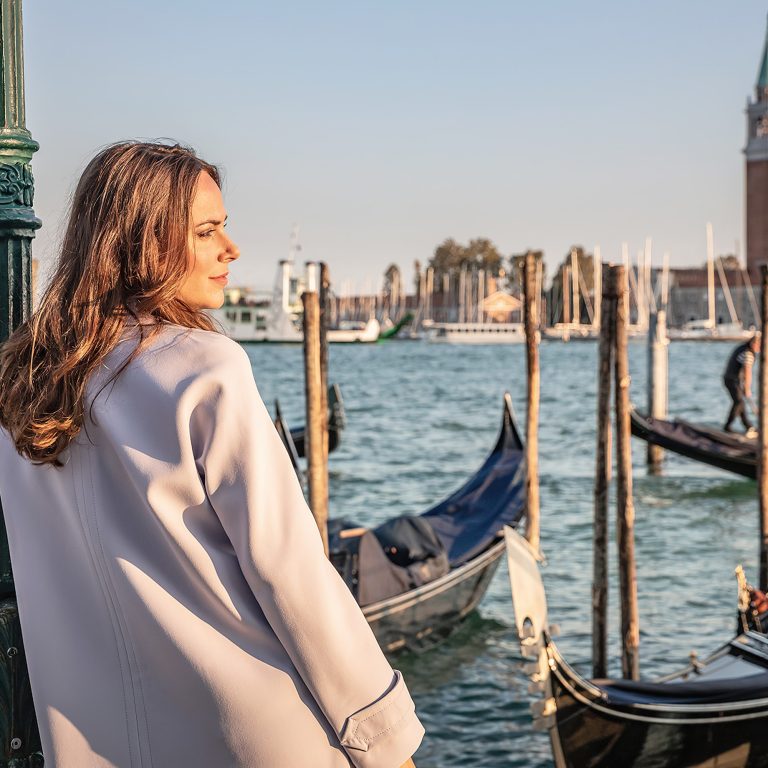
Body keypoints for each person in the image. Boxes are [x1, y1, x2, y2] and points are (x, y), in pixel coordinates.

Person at [0, 141, 423, 768]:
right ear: (143, 242)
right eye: (206, 231)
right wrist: (382, 742)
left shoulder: (22, 386)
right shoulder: (206, 368)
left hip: (94, 739)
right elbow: (289, 570)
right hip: (260, 735)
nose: (232, 248)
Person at [723, 333, 761, 436]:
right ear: (754, 344)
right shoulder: (748, 353)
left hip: (732, 379)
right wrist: (747, 388)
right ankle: (727, 427)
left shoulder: (743, 348)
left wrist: (744, 387)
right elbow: (748, 372)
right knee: (738, 402)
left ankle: (748, 427)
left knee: (739, 402)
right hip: (732, 380)